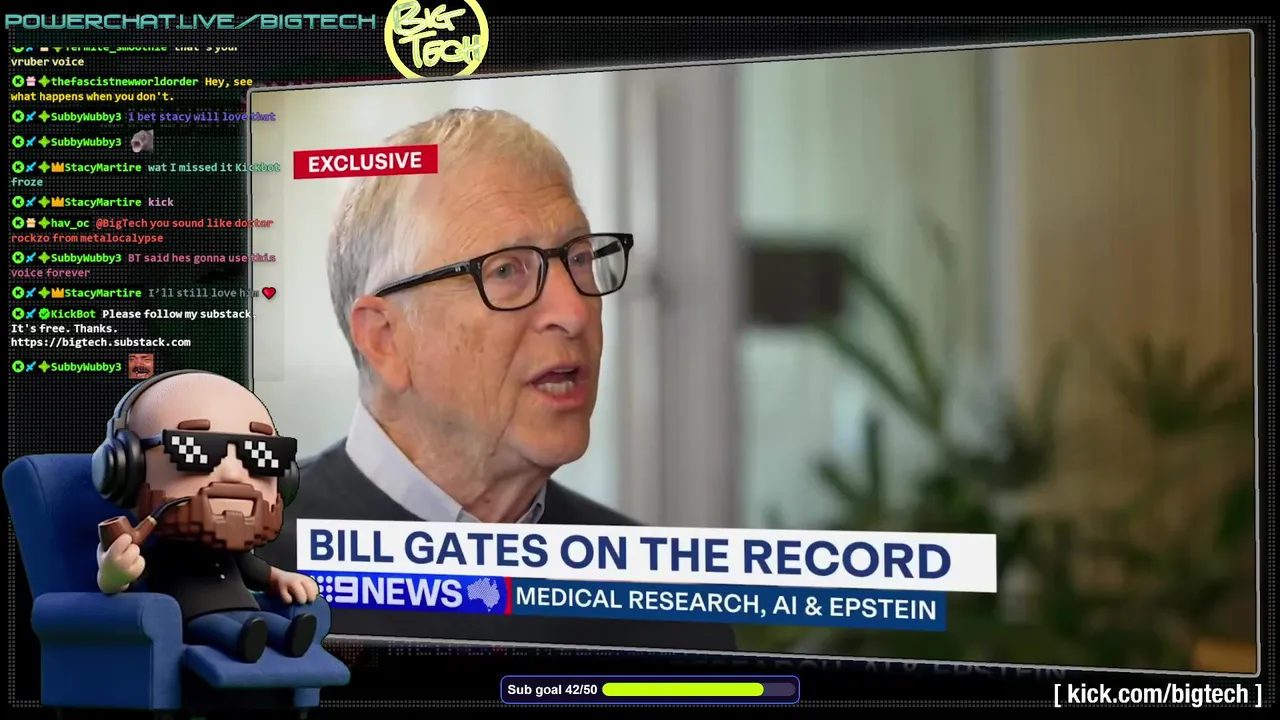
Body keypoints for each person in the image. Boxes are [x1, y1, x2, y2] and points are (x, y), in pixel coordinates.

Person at [255, 108, 737, 652]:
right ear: (385, 339)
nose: (574, 312)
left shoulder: (666, 606)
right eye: (506, 270)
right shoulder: (232, 580)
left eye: (580, 258)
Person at [94, 370, 322, 663]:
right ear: (126, 468)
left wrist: (283, 578)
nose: (233, 474)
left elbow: (258, 572)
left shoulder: (235, 555)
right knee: (221, 629)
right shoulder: (161, 553)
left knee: (267, 624)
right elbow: (121, 581)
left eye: (263, 453)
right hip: (195, 615)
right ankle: (243, 641)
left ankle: (287, 636)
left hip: (247, 608)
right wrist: (113, 574)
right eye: (195, 450)